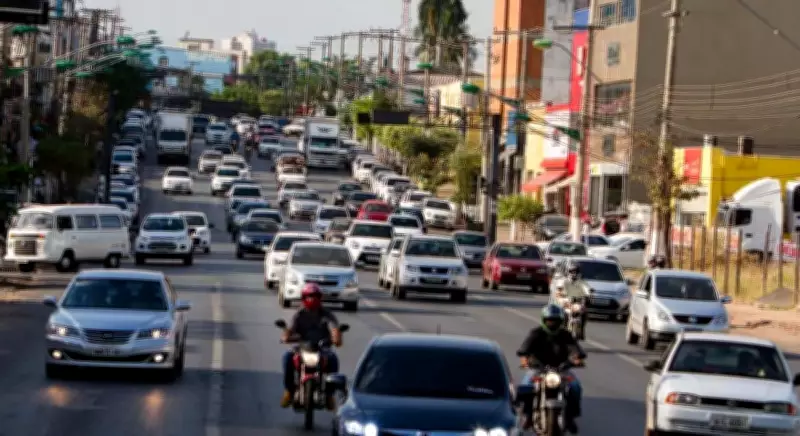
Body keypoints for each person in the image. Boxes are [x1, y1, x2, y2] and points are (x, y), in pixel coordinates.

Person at [517, 304, 586, 433]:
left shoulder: (566, 335)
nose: (552, 323)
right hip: (539, 368)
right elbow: (524, 349)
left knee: (575, 387)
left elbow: (575, 349)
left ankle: (570, 418)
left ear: (560, 321)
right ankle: (528, 416)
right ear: (544, 320)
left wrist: (577, 359)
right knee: (525, 386)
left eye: (555, 320)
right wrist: (526, 360)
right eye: (549, 320)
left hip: (561, 369)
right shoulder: (536, 333)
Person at [279, 283, 342, 410]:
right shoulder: (299, 314)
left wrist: (336, 337)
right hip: (303, 347)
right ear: (303, 298)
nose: (312, 299)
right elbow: (290, 329)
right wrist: (286, 335)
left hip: (322, 349)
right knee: (286, 358)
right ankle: (289, 391)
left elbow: (334, 328)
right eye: (308, 296)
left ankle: (330, 396)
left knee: (334, 360)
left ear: (320, 298)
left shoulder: (327, 314)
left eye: (315, 296)